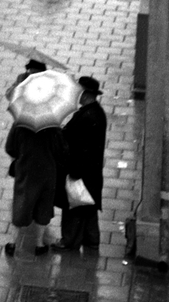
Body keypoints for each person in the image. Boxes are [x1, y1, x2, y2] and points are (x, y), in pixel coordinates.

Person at [54, 76, 107, 251]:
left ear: (85, 94)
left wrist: (74, 170)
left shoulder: (87, 116)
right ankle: (92, 240)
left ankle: (69, 241)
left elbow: (82, 147)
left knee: (74, 205)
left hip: (81, 171)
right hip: (91, 172)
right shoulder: (95, 112)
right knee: (88, 205)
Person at [4, 121, 68, 257]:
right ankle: (39, 244)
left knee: (21, 205)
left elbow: (10, 148)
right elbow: (61, 150)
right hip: (47, 173)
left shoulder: (20, 124)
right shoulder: (53, 127)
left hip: (25, 172)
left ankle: (12, 244)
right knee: (44, 207)